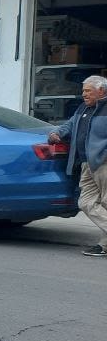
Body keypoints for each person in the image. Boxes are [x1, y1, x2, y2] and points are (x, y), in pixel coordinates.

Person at [49, 75, 107, 257]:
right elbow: (70, 125)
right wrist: (57, 132)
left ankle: (104, 245)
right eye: (83, 91)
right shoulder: (83, 108)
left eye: (88, 91)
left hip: (104, 163)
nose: (84, 94)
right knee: (86, 202)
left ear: (101, 91)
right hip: (86, 164)